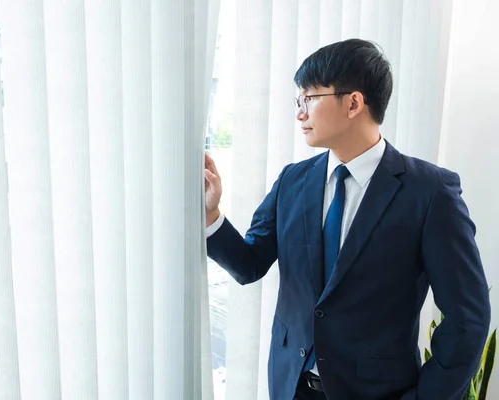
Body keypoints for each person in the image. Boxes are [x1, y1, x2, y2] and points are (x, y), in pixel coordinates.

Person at [203, 38, 491, 400]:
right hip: (292, 387)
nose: (299, 112)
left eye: (310, 98)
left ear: (353, 102)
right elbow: (249, 264)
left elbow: (469, 317)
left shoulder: (431, 191)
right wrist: (212, 213)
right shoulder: (293, 180)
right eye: (299, 100)